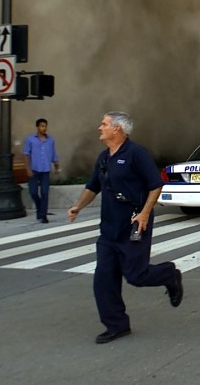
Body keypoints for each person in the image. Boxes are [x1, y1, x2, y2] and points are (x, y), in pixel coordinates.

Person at [67, 112, 183, 344]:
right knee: (104, 280)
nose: (99, 127)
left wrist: (145, 213)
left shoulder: (136, 154)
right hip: (108, 230)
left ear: (117, 129)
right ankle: (116, 325)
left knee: (136, 276)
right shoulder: (103, 157)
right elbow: (92, 187)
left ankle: (169, 274)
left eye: (104, 124)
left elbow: (155, 185)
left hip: (133, 225)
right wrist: (77, 206)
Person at [23, 117, 60, 223]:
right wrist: (27, 169)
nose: (44, 128)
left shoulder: (50, 140)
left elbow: (54, 155)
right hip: (34, 170)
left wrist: (57, 167)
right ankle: (40, 209)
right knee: (33, 192)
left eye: (45, 126)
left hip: (45, 171)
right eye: (42, 126)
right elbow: (26, 155)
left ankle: (43, 215)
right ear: (37, 127)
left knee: (44, 192)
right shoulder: (30, 139)